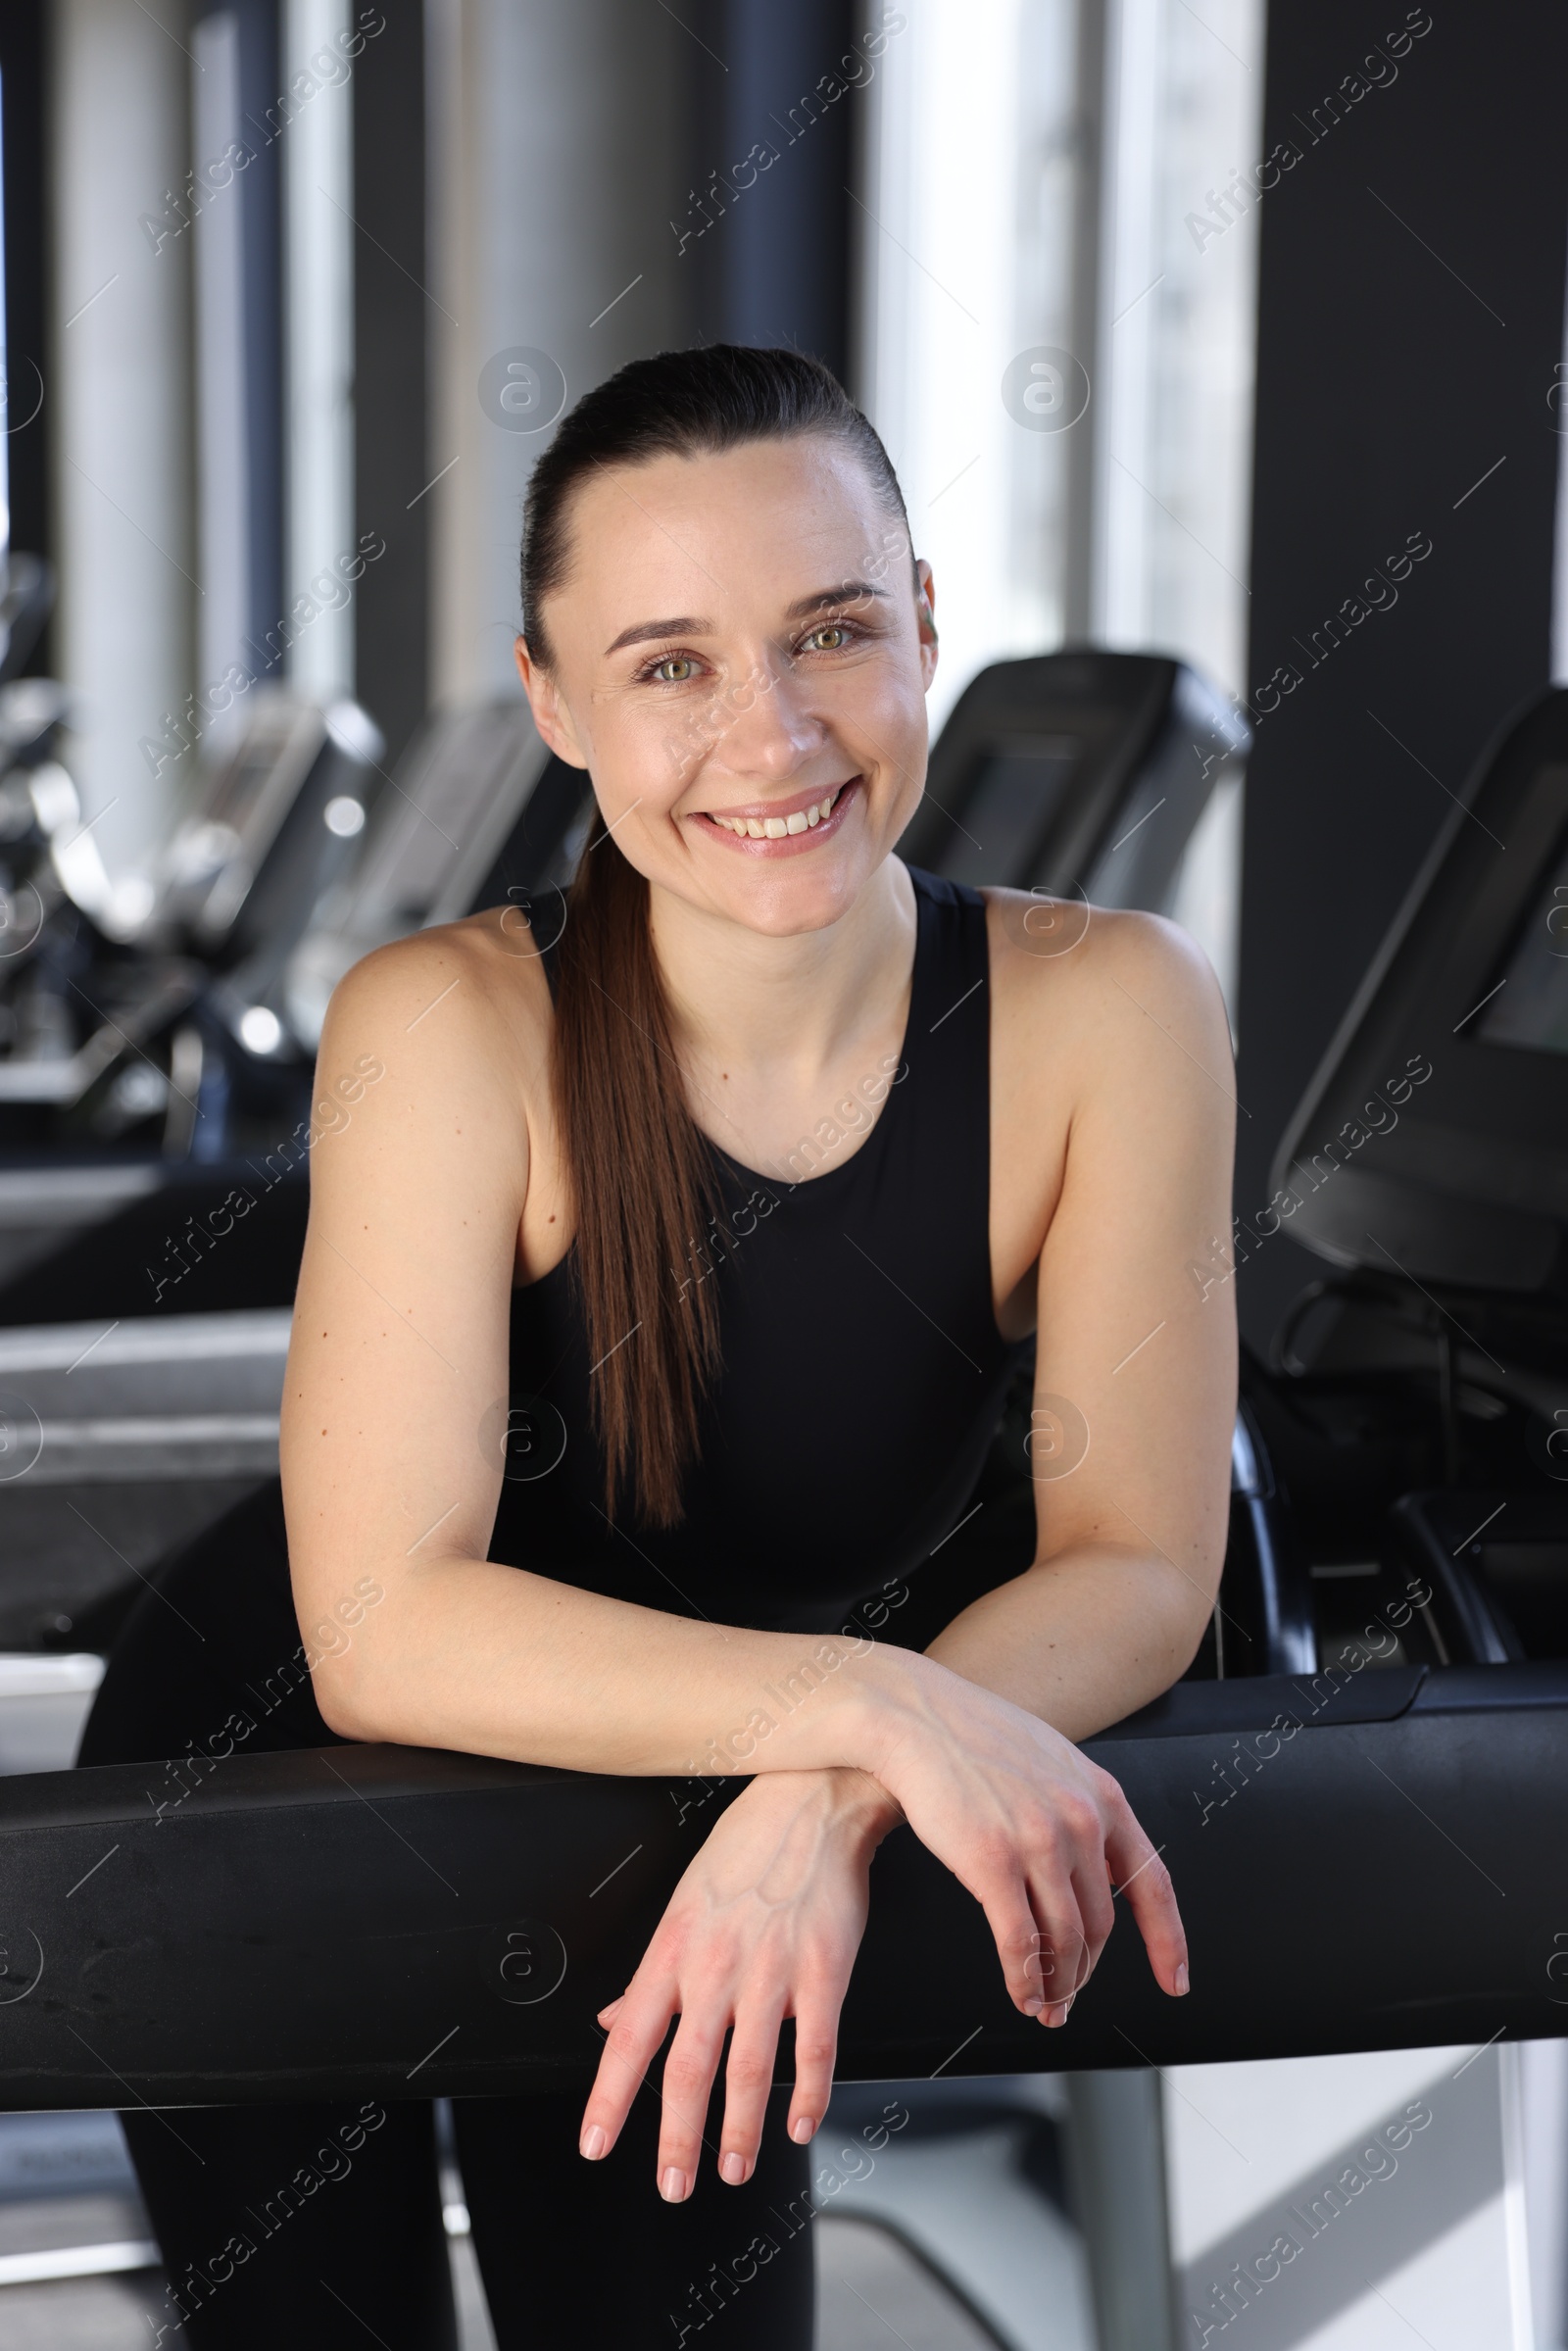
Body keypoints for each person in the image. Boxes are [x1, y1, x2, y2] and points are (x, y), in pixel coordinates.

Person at [80, 344, 1237, 2347]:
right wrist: (871, 1712)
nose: (769, 737)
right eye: (669, 664)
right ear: (555, 704)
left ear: (924, 628)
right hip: (274, 1798)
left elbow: (1134, 1558)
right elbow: (382, 1624)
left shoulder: (1109, 1012)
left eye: (830, 633)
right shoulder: (447, 1025)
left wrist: (832, 1781)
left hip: (695, 1793)